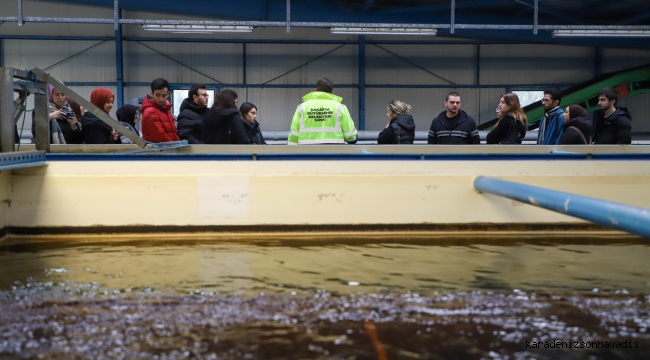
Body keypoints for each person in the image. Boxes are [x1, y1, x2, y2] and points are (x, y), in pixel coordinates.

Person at [288, 78, 357, 145]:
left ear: (315, 90)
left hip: (307, 151)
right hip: (333, 152)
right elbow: (351, 138)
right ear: (332, 92)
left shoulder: (302, 108)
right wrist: (353, 138)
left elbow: (294, 135)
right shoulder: (340, 108)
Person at [141, 78, 180, 143]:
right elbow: (161, 138)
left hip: (168, 150)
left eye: (164, 95)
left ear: (168, 94)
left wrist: (179, 144)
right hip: (158, 152)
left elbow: (173, 134)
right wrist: (177, 150)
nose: (161, 99)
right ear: (152, 93)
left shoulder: (166, 109)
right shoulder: (150, 112)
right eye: (158, 95)